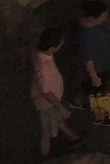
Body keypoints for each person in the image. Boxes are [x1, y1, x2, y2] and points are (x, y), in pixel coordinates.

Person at [31, 29, 76, 157]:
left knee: (56, 120)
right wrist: (61, 108)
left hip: (48, 103)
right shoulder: (44, 68)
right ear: (52, 48)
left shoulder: (39, 53)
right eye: (60, 43)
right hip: (46, 104)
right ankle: (44, 156)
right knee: (46, 132)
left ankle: (73, 137)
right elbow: (46, 92)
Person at [75, 0, 110, 126]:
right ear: (93, 17)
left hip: (100, 65)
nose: (106, 18)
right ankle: (101, 117)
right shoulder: (86, 37)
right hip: (97, 70)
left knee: (93, 91)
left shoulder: (89, 26)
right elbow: (88, 60)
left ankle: (79, 102)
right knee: (98, 94)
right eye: (104, 16)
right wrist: (94, 76)